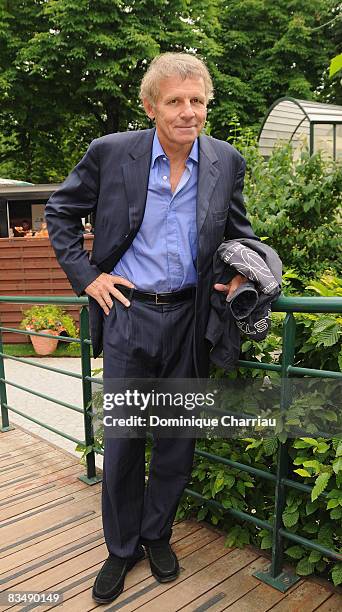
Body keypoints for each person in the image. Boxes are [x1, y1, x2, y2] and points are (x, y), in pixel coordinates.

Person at [45, 52, 259, 604]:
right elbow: (60, 212)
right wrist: (87, 277)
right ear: (151, 106)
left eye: (197, 101)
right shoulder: (112, 153)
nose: (188, 112)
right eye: (176, 101)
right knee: (122, 442)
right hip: (128, 316)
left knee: (176, 443)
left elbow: (240, 232)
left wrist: (241, 277)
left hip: (190, 319)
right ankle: (121, 550)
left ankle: (156, 534)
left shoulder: (226, 160)